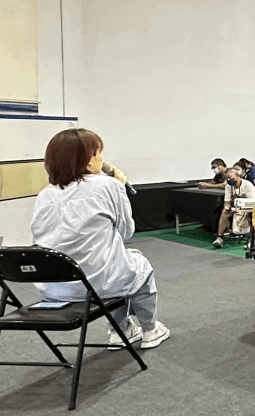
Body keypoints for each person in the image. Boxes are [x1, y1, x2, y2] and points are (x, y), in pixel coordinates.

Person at [31, 128, 171, 350]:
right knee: (138, 266)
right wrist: (120, 187)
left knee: (121, 261)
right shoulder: (109, 185)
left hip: (54, 288)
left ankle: (121, 332)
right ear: (88, 161)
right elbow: (126, 232)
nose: (102, 159)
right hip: (97, 283)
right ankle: (150, 330)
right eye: (99, 153)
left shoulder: (44, 195)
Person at [214, 167, 255, 249]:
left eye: (230, 177)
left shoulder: (248, 185)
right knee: (224, 212)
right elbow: (227, 201)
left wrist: (240, 209)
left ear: (238, 176)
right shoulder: (228, 186)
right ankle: (219, 238)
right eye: (227, 178)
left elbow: (252, 202)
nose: (229, 179)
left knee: (251, 213)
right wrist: (227, 207)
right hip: (239, 207)